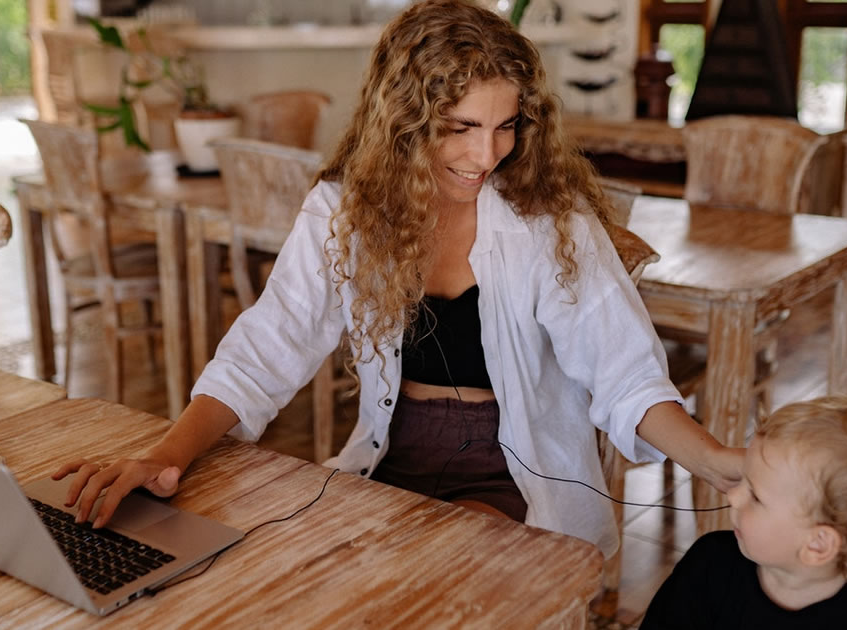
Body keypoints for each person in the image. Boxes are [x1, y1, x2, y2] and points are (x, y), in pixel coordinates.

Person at [55, 0, 742, 556]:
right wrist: (165, 457)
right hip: (389, 457)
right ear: (405, 120)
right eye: (460, 127)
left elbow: (626, 375)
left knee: (430, 577)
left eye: (505, 126)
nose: (486, 155)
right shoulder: (346, 209)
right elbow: (269, 344)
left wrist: (712, 460)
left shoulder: (548, 219)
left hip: (513, 470)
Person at [640, 392, 847, 629]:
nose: (733, 495)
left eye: (756, 496)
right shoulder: (710, 565)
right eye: (743, 479)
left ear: (817, 544)